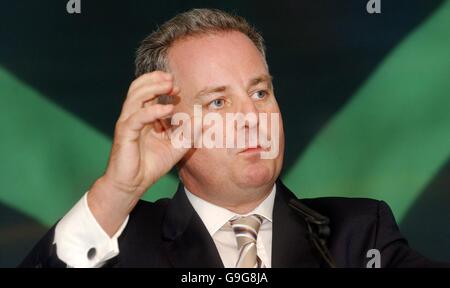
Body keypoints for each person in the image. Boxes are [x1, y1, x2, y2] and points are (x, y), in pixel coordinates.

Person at [20, 8, 447, 268]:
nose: (251, 117)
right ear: (169, 126)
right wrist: (116, 192)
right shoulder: (121, 244)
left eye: (259, 92)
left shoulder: (358, 234)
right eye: (218, 103)